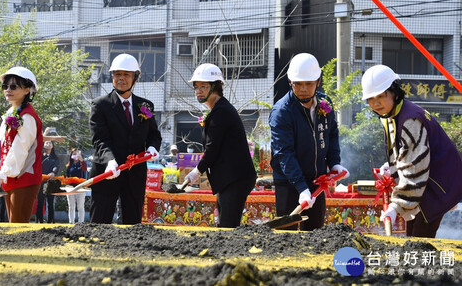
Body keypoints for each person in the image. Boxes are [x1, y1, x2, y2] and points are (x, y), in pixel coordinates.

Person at [361, 65, 462, 238]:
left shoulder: (410, 119)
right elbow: (404, 150)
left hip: (435, 184)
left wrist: (395, 206)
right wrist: (393, 165)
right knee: (412, 236)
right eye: (371, 98)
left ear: (394, 91)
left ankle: (424, 266)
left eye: (381, 95)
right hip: (425, 183)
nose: (376, 103)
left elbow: (416, 169)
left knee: (420, 239)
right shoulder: (394, 113)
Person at [269, 53, 349, 231]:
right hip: (289, 183)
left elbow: (332, 134)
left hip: (316, 182)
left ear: (318, 81)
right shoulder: (282, 111)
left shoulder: (324, 104)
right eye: (298, 84)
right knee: (286, 236)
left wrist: (334, 162)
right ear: (290, 82)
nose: (303, 89)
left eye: (309, 84)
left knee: (314, 232)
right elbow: (284, 153)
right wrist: (301, 187)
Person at [89, 53, 162, 224]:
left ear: (135, 78)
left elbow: (154, 134)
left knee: (133, 223)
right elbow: (99, 139)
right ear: (112, 77)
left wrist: (152, 147)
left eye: (126, 75)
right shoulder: (100, 105)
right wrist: (110, 161)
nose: (121, 78)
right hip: (108, 172)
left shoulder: (145, 106)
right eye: (117, 74)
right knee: (99, 222)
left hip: (135, 174)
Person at [184, 63, 256, 228]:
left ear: (215, 87)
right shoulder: (219, 109)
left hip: (235, 178)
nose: (199, 91)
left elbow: (213, 148)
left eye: (204, 86)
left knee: (227, 226)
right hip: (230, 178)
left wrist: (197, 171)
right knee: (224, 223)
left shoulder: (221, 111)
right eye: (196, 87)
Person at [0, 67, 43, 223]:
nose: (8, 90)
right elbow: (5, 146)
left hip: (24, 177)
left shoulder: (27, 116)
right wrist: (0, 170)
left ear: (27, 90)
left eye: (14, 86)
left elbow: (20, 149)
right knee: (13, 225)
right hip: (12, 176)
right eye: (5, 86)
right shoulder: (11, 112)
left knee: (17, 226)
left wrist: (3, 172)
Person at [36, 140, 60, 223]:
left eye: (50, 143)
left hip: (51, 182)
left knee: (50, 203)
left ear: (53, 146)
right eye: (46, 142)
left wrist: (53, 172)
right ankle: (39, 220)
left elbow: (56, 166)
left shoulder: (55, 158)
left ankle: (50, 221)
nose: (48, 144)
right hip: (41, 182)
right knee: (40, 202)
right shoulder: (40, 156)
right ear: (43, 145)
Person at [65, 148, 87, 223]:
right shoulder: (69, 165)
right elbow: (67, 176)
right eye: (74, 154)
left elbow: (84, 169)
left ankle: (81, 222)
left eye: (77, 154)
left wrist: (81, 160)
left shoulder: (82, 163)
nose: (75, 155)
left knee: (80, 206)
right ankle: (71, 222)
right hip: (71, 188)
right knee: (71, 206)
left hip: (80, 187)